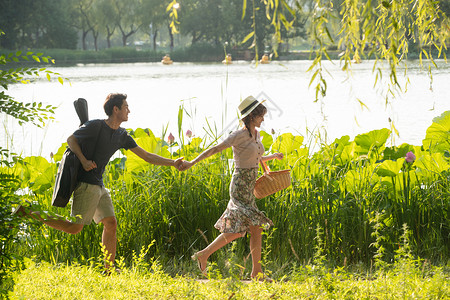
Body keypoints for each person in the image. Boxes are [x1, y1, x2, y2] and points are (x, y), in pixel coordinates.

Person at [13, 93, 183, 272]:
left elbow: (146, 156)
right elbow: (71, 140)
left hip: (98, 184)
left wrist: (173, 162)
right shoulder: (95, 125)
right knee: (74, 228)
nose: (129, 111)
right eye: (126, 107)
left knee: (111, 223)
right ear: (115, 109)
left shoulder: (122, 135)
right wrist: (84, 160)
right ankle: (29, 211)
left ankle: (109, 269)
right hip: (86, 184)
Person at [179, 95, 284, 281]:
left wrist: (272, 157)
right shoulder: (238, 136)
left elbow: (256, 158)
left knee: (239, 230)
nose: (263, 119)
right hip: (240, 185)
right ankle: (256, 272)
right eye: (260, 115)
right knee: (255, 226)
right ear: (251, 116)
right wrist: (192, 162)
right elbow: (214, 150)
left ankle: (204, 254)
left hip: (250, 185)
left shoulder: (256, 134)